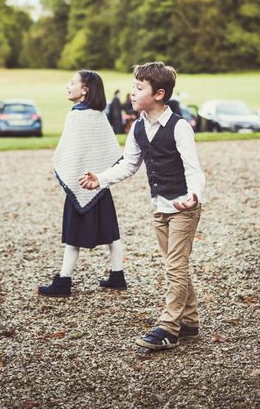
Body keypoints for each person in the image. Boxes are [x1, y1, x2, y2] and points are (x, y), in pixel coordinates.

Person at [79, 61, 205, 351]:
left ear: (159, 94)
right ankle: (190, 320)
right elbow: (128, 165)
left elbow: (193, 168)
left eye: (138, 88)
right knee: (177, 266)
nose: (132, 94)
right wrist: (100, 179)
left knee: (175, 267)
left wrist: (194, 195)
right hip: (159, 207)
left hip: (184, 207)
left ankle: (169, 328)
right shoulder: (137, 127)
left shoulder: (180, 127)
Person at [38, 70, 126, 297]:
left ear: (85, 88)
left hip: (82, 185)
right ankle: (118, 276)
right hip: (99, 186)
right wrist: (100, 178)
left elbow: (67, 155)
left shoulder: (75, 116)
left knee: (72, 236)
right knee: (112, 234)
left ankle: (63, 281)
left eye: (72, 83)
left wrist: (78, 176)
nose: (68, 86)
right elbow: (111, 153)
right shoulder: (100, 116)